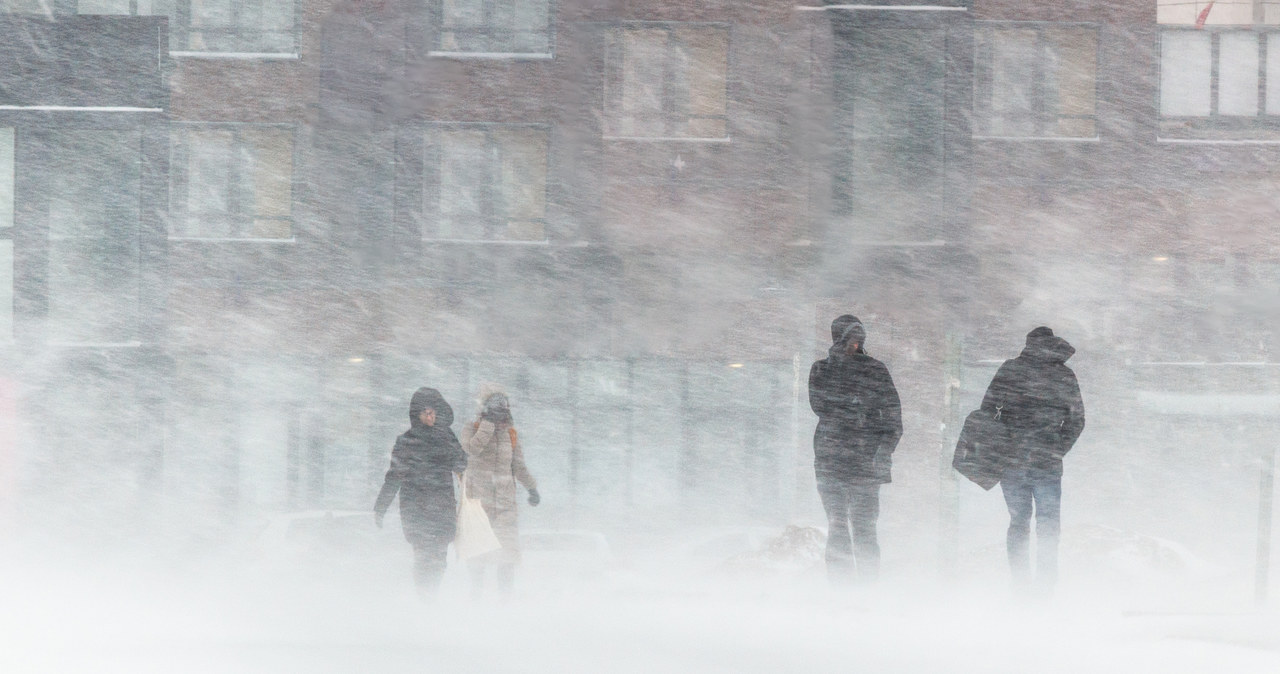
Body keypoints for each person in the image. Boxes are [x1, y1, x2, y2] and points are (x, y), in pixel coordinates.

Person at [979, 326, 1085, 596]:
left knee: (1018, 521)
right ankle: (1046, 584)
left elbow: (987, 411)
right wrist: (1057, 447)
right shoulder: (1063, 374)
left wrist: (1003, 441)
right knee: (1048, 524)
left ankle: (1020, 583)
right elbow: (1077, 420)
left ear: (1028, 344)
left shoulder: (1011, 369)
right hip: (1047, 463)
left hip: (1012, 461)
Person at [808, 315, 903, 584]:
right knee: (838, 526)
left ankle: (868, 587)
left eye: (860, 339)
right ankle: (842, 588)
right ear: (838, 339)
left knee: (865, 529)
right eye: (850, 339)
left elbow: (894, 418)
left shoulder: (876, 370)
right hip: (831, 462)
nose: (856, 344)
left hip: (865, 464)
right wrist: (857, 404)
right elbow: (820, 405)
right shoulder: (822, 370)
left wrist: (883, 450)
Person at [373, 387, 467, 600]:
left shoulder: (445, 437)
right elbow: (394, 476)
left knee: (440, 559)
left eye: (433, 412)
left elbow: (461, 463)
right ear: (417, 414)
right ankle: (424, 598)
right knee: (423, 557)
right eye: (426, 412)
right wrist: (381, 506)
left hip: (442, 508)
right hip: (416, 509)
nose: (431, 416)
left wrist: (448, 442)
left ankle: (430, 596)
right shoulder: (406, 441)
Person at [460, 385, 540, 600]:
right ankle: (476, 595)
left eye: (503, 409)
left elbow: (518, 465)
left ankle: (505, 597)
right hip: (479, 501)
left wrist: (531, 487)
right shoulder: (473, 427)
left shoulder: (510, 435)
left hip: (505, 504)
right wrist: (487, 425)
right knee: (479, 552)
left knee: (507, 554)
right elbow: (471, 449)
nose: (501, 414)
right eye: (495, 409)